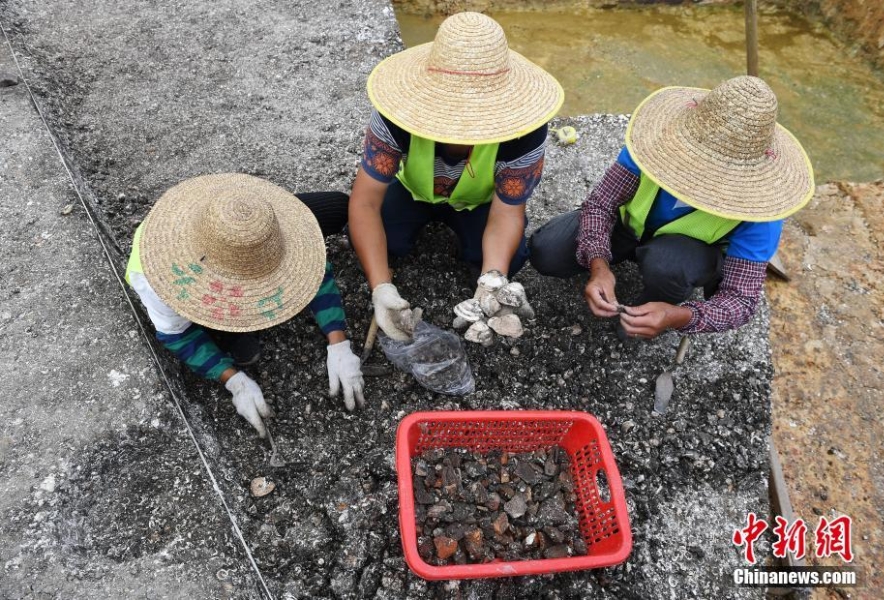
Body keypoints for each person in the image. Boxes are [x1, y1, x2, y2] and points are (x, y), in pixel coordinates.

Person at [529, 76, 815, 339]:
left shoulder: (762, 209)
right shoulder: (652, 143)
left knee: (667, 264)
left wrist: (681, 316)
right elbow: (601, 205)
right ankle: (623, 270)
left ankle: (654, 307)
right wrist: (599, 265)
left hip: (685, 254)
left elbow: (740, 300)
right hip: (626, 229)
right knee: (547, 251)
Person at [347, 12, 564, 343]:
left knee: (512, 258)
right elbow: (364, 202)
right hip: (412, 191)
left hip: (479, 203)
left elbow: (507, 212)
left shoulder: (525, 130)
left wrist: (491, 282)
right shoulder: (397, 115)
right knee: (372, 240)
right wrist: (381, 287)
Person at [125, 174, 366, 438]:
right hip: (200, 247)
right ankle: (231, 334)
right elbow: (177, 335)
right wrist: (233, 380)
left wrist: (338, 341)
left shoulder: (242, 215)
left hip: (232, 234)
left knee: (339, 206)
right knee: (240, 346)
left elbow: (314, 273)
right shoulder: (159, 282)